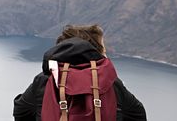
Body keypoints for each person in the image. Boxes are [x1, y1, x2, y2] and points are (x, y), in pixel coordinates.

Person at [13, 24, 147, 121]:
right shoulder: (110, 82)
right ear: (94, 51)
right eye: (103, 49)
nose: (105, 52)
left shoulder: (45, 80)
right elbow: (138, 114)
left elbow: (21, 110)